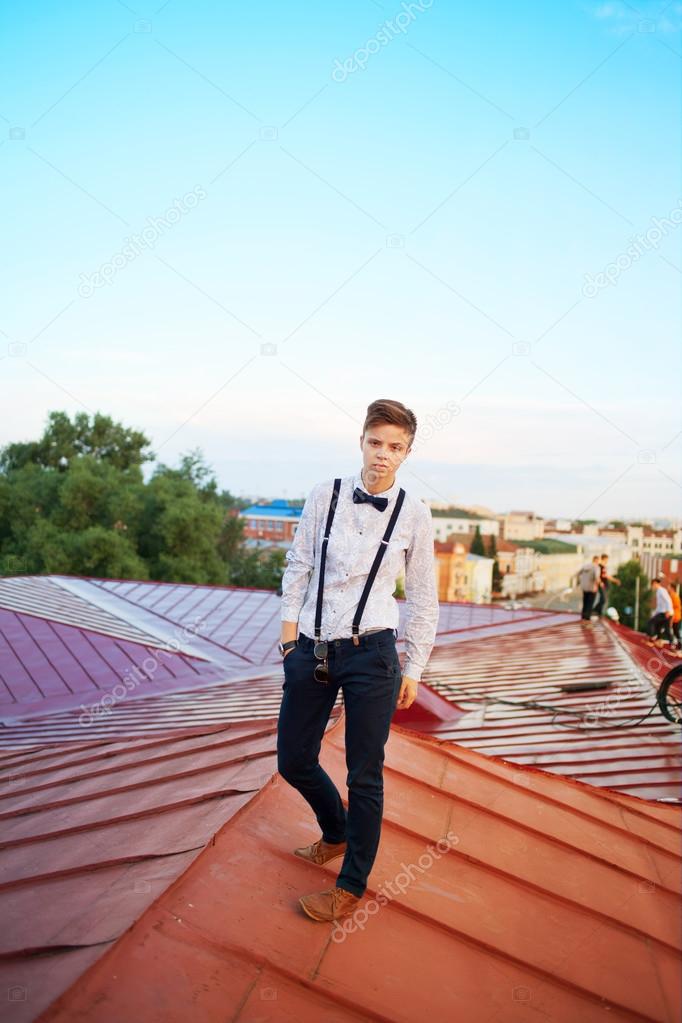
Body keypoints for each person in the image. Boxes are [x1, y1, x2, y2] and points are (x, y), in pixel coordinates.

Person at [277, 398, 439, 923]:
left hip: (373, 654)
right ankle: (337, 831)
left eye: (396, 447)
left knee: (363, 774)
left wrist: (414, 667)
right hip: (313, 647)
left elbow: (423, 596)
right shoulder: (325, 494)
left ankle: (350, 887)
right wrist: (288, 641)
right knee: (293, 759)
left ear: (408, 452)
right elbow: (299, 563)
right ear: (362, 441)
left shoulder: (415, 513)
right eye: (376, 442)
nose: (383, 455)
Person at [646, 578, 674, 646]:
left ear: (655, 583)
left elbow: (668, 600)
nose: (652, 587)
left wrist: (668, 611)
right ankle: (667, 643)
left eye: (652, 585)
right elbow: (659, 606)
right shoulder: (659, 591)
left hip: (666, 613)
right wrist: (655, 614)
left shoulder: (661, 590)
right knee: (663, 628)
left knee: (651, 622)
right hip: (666, 612)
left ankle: (652, 638)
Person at [578, 555, 601, 623]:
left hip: (584, 587)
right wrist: (598, 585)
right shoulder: (596, 567)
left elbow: (578, 573)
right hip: (592, 587)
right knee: (590, 603)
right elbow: (597, 577)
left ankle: (583, 617)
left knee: (585, 602)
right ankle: (587, 618)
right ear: (597, 560)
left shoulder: (586, 566)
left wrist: (580, 582)